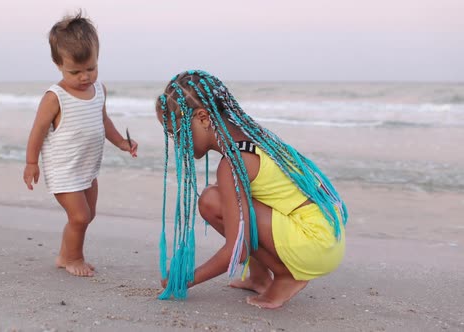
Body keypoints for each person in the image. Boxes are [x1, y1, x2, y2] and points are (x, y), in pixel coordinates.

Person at [156, 70, 347, 309]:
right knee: (223, 198)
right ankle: (259, 277)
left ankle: (287, 276)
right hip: (327, 237)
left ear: (203, 118)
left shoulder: (233, 164)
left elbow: (239, 248)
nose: (177, 143)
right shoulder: (253, 140)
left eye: (177, 133)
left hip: (314, 243)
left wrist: (184, 280)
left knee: (211, 201)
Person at [23, 12, 137, 277]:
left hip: (87, 167)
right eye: (75, 71)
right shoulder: (55, 97)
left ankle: (64, 254)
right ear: (58, 64)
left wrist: (121, 141)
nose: (85, 77)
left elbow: (104, 120)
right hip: (63, 168)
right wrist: (31, 162)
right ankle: (74, 258)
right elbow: (38, 130)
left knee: (88, 214)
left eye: (91, 68)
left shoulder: (99, 91)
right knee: (79, 217)